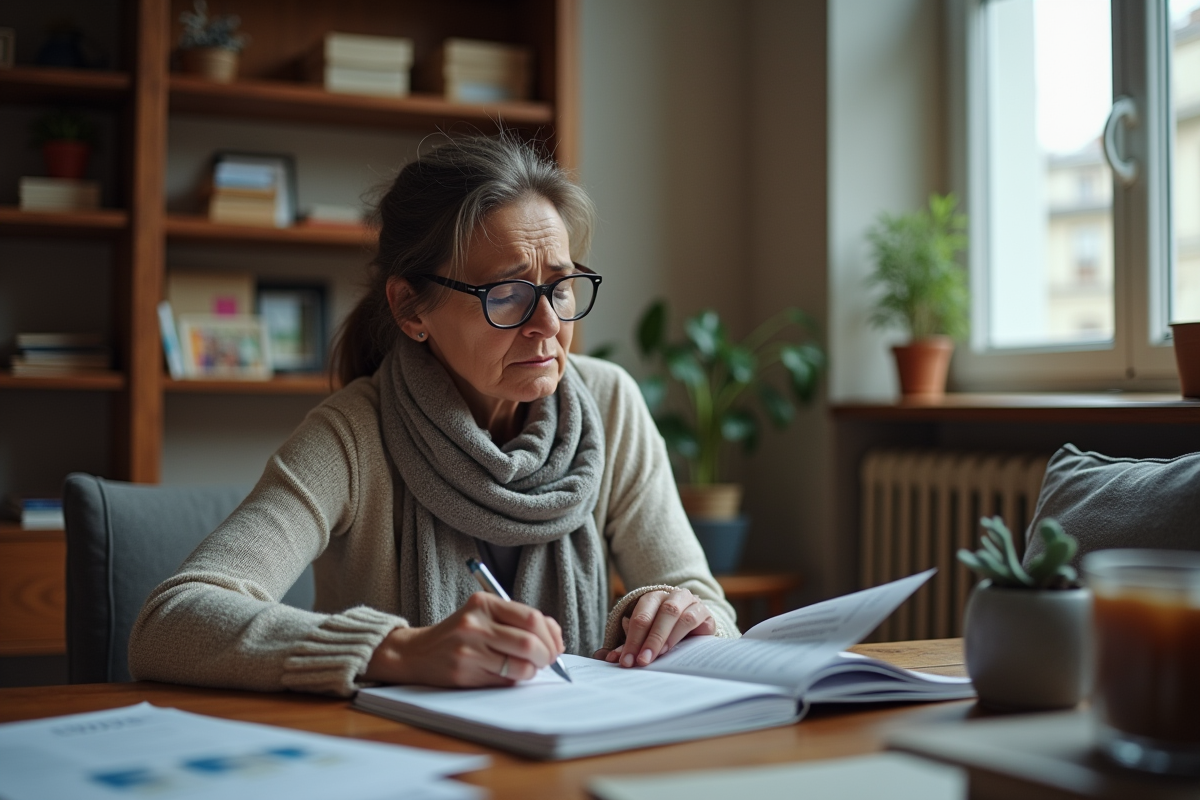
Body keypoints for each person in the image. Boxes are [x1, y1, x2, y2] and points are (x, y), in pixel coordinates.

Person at [129, 134, 738, 697]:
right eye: (506, 293)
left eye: (559, 285)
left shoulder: (610, 405)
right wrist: (395, 650)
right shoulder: (351, 437)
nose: (549, 324)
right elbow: (171, 621)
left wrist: (676, 614)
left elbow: (709, 608)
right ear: (410, 308)